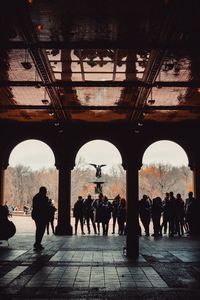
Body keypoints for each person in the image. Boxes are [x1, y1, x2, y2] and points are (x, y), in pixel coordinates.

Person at [31, 186, 49, 250]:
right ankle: (37, 243)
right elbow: (45, 207)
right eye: (45, 191)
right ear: (43, 191)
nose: (46, 192)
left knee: (39, 229)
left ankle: (37, 243)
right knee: (41, 229)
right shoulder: (44, 198)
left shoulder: (36, 197)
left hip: (36, 215)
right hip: (41, 215)